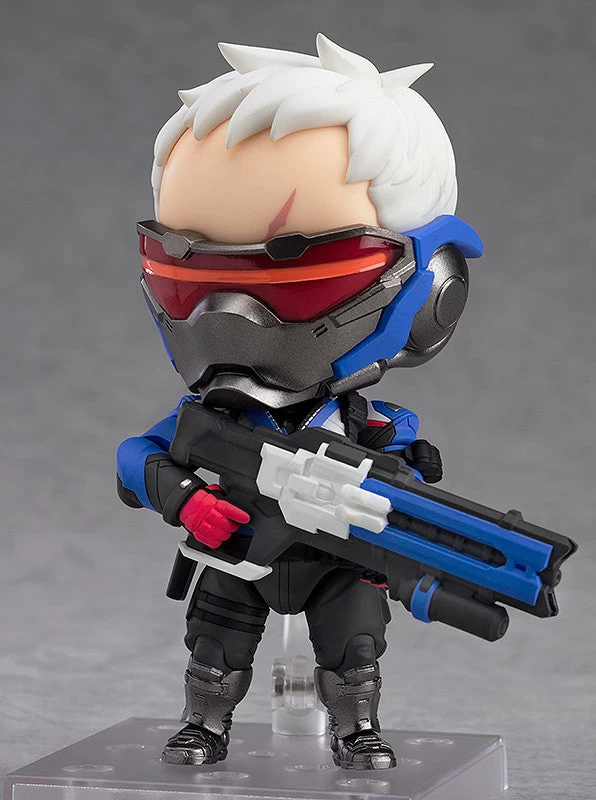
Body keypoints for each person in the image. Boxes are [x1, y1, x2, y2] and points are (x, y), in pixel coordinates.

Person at [117, 34, 483, 769]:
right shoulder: (215, 422)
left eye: (300, 278)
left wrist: (394, 523)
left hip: (332, 557)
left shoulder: (371, 426)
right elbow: (136, 458)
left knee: (354, 648)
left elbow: (407, 486)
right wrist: (188, 500)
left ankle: (355, 729)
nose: (232, 315)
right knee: (216, 643)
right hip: (238, 547)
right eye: (189, 272)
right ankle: (204, 724)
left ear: (429, 291)